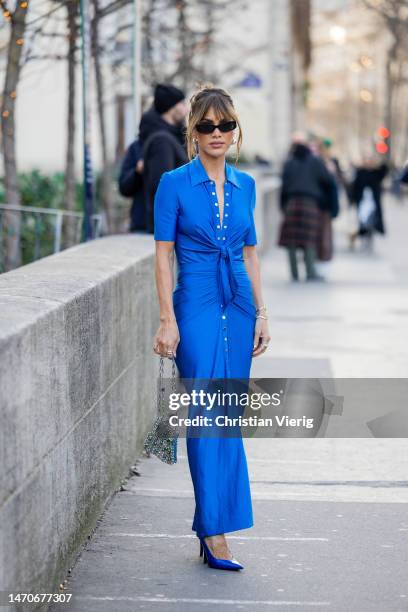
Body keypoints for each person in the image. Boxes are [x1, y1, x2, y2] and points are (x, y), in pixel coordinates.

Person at [152, 84, 270, 571]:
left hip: (239, 304)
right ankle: (214, 532)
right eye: (207, 125)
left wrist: (262, 312)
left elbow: (249, 253)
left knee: (228, 418)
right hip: (196, 304)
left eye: (225, 125)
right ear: (192, 132)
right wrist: (167, 319)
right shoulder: (173, 184)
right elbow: (162, 255)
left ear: (235, 130)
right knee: (205, 416)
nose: (217, 133)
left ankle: (213, 525)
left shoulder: (247, 186)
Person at [278, 134, 336, 281]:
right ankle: (310, 273)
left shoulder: (289, 163)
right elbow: (328, 181)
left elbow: (283, 187)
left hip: (292, 203)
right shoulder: (315, 161)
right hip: (311, 204)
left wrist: (283, 207)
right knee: (310, 239)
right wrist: (326, 202)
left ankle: (294, 274)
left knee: (291, 240)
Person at [139, 84, 189, 232]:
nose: (186, 109)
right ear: (172, 107)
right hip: (168, 229)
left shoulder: (173, 137)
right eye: (182, 103)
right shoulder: (162, 141)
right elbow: (162, 187)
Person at [349, 155, 388, 251]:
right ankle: (363, 238)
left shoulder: (376, 173)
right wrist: (352, 200)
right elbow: (354, 187)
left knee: (372, 221)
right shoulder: (360, 172)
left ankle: (369, 240)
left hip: (372, 202)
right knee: (362, 221)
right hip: (362, 202)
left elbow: (385, 169)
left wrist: (381, 158)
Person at [118, 140, 146, 232]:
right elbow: (123, 187)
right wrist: (137, 172)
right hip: (141, 223)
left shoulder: (180, 140)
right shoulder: (136, 147)